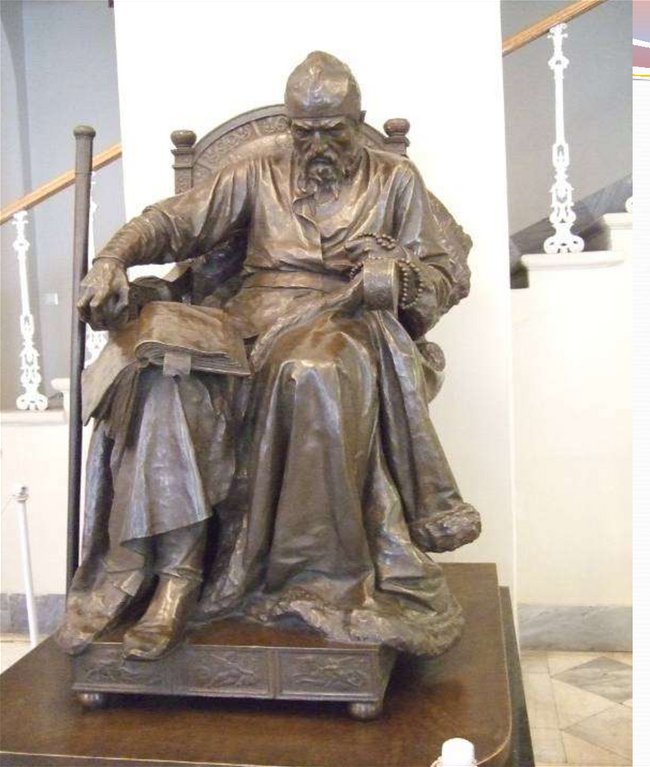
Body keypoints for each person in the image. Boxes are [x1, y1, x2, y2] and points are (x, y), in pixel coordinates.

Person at [56, 51, 481, 661]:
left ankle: (314, 577)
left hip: (344, 318)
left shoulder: (395, 180)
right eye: (305, 132)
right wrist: (112, 258)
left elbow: (442, 270)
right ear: (289, 125)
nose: (319, 145)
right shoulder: (256, 168)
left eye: (333, 130)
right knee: (164, 375)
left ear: (357, 121)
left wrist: (399, 278)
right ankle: (175, 576)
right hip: (247, 319)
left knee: (312, 370)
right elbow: (175, 223)